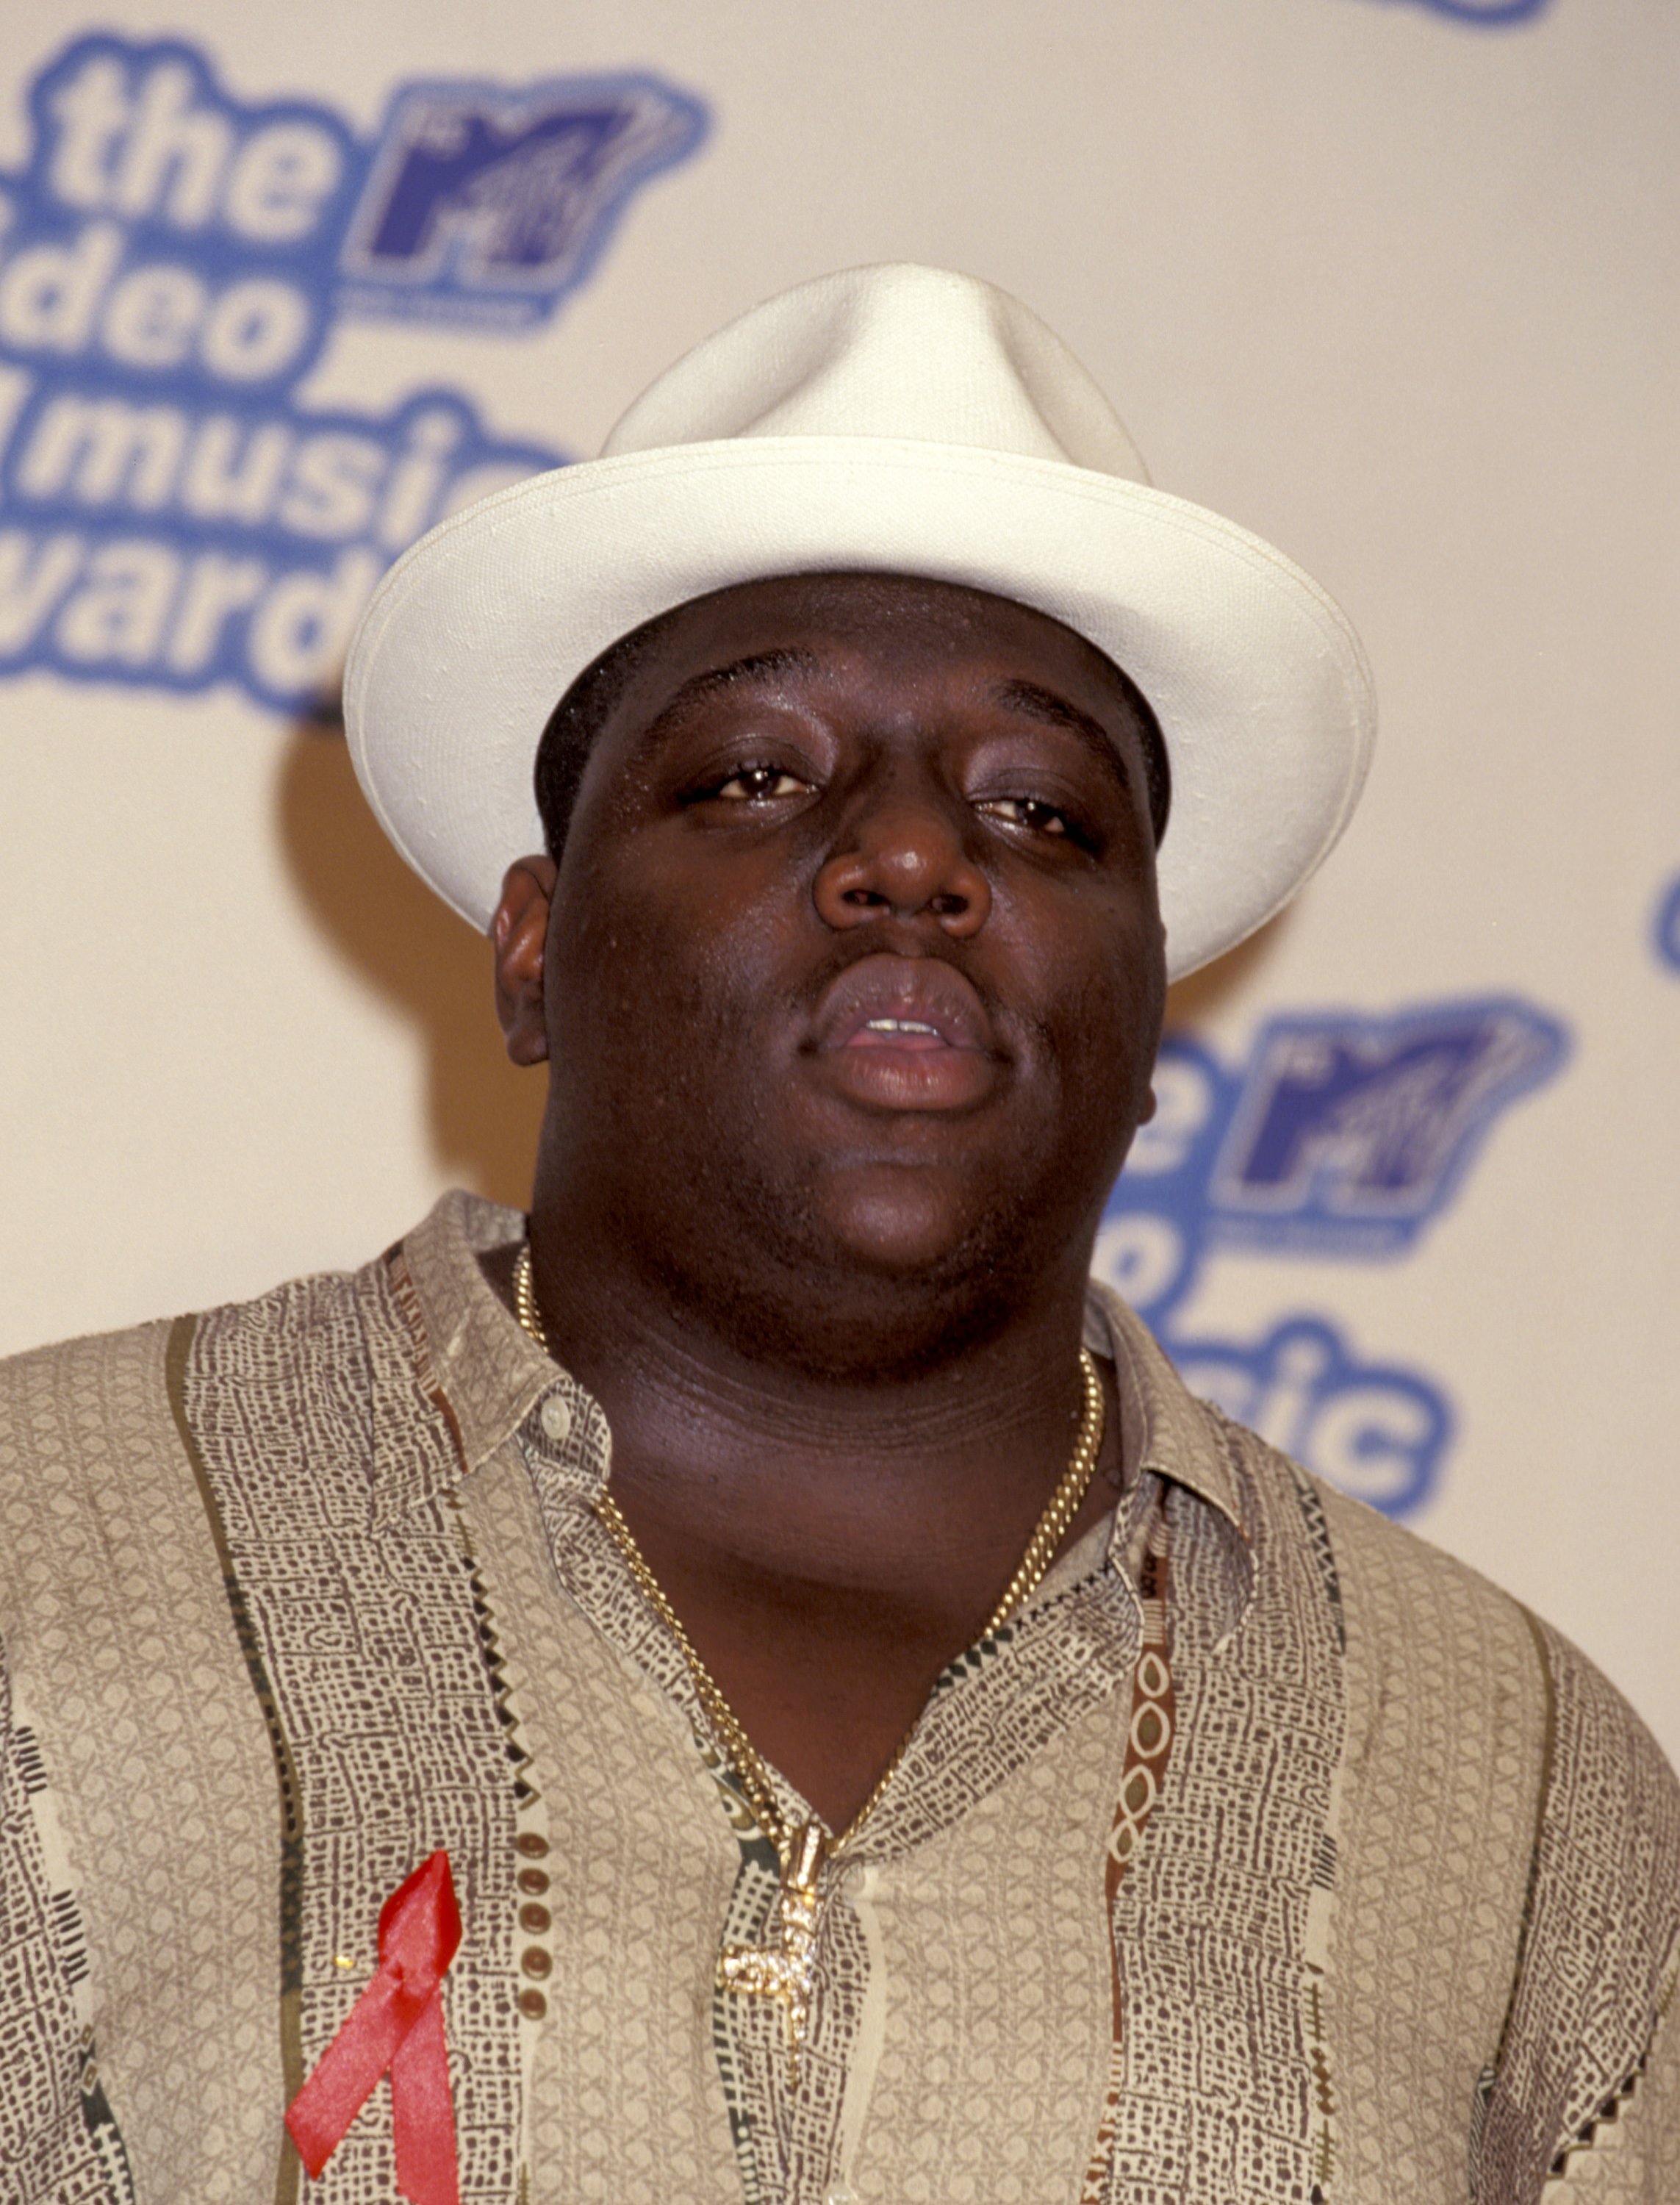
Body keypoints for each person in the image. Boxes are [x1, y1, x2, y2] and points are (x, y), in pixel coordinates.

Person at [1, 264, 1675, 2205]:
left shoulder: (1528, 1788)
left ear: (1145, 1020)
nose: (915, 857)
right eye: (755, 776)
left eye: (1044, 812)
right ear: (535, 952)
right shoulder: (44, 1546)